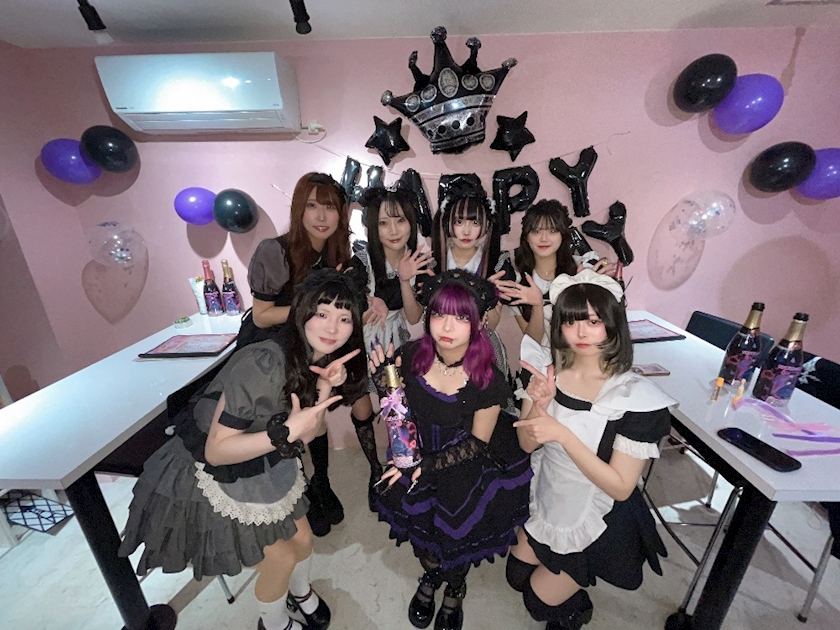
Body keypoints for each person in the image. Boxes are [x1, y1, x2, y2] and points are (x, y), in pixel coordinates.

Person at [119, 269, 368, 630]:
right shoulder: (263, 361)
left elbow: (308, 434)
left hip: (262, 456)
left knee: (303, 539)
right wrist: (285, 432)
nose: (332, 327)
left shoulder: (316, 359)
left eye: (344, 318)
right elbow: (217, 452)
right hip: (209, 472)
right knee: (280, 559)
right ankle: (275, 623)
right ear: (302, 312)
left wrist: (325, 388)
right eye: (322, 313)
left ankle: (300, 593)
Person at [506, 270, 676, 630]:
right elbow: (525, 444)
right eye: (571, 322)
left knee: (537, 600)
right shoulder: (547, 372)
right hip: (550, 493)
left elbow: (621, 487)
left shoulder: (634, 397)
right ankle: (566, 593)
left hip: (598, 512)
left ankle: (573, 612)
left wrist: (563, 435)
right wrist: (538, 407)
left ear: (613, 325)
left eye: (594, 322)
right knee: (516, 575)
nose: (581, 333)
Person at [370, 269, 532, 630]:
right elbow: (401, 417)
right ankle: (431, 576)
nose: (447, 326)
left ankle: (455, 588)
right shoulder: (411, 354)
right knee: (424, 542)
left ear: (479, 323)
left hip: (462, 466)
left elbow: (476, 443)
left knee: (456, 539)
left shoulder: (487, 380)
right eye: (439, 314)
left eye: (461, 317)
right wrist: (387, 386)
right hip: (416, 454)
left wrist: (425, 466)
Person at [239, 171, 383, 536]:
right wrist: (314, 309)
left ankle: (324, 480)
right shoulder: (275, 251)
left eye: (330, 207)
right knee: (290, 416)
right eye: (312, 206)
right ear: (298, 210)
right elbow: (262, 315)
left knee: (320, 410)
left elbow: (345, 303)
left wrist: (366, 301)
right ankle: (301, 486)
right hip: (274, 349)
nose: (321, 216)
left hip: (314, 348)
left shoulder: (338, 255)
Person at [344, 187, 432, 509]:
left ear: (411, 222)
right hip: (358, 343)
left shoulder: (419, 260)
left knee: (398, 410)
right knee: (362, 409)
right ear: (373, 227)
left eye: (400, 220)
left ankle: (405, 466)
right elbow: (344, 303)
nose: (393, 230)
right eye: (383, 223)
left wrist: (405, 280)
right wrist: (369, 301)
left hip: (393, 343)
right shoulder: (362, 260)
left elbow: (414, 317)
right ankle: (374, 470)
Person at [496, 199, 614, 345]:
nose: (544, 239)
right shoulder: (516, 278)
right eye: (536, 231)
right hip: (539, 358)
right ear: (526, 236)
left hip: (581, 353)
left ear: (563, 234)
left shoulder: (583, 271)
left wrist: (598, 288)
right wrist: (537, 306)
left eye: (552, 231)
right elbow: (533, 341)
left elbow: (604, 325)